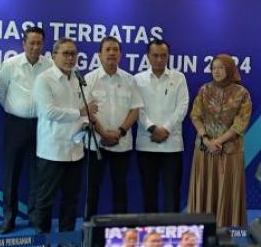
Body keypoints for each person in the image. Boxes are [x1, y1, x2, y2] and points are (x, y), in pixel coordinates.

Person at [31, 38, 97, 233]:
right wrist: (81, 113)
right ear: (53, 56)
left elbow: (88, 107)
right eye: (66, 54)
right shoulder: (44, 79)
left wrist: (85, 123)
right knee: (45, 200)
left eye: (73, 54)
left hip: (75, 150)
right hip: (52, 151)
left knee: (71, 199)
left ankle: (66, 239)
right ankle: (42, 240)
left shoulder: (78, 78)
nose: (70, 58)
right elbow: (48, 112)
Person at [0, 26, 52, 234]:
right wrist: (17, 109)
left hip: (42, 125)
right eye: (32, 43)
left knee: (39, 173)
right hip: (15, 124)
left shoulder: (50, 65)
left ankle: (35, 217)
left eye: (39, 43)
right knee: (12, 172)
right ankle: (8, 218)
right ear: (23, 44)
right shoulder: (11, 64)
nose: (36, 47)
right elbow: (0, 93)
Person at [187, 54, 252, 227]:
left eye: (221, 67)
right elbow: (195, 115)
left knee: (227, 192)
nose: (216, 71)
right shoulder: (204, 90)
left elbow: (240, 124)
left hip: (230, 153)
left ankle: (230, 232)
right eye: (214, 68)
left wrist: (219, 142)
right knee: (204, 190)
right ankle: (201, 230)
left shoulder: (242, 94)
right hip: (204, 150)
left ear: (230, 69)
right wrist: (206, 140)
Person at [84, 36, 143, 218]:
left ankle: (120, 229)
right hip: (96, 144)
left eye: (115, 50)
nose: (111, 53)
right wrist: (103, 133)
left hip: (122, 143)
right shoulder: (89, 79)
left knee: (120, 187)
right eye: (107, 49)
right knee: (92, 189)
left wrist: (120, 131)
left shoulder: (129, 80)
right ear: (99, 55)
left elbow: (135, 109)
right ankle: (89, 229)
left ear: (120, 55)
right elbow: (86, 110)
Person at [134, 39, 189, 213]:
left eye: (163, 56)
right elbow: (136, 109)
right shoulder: (138, 79)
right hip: (146, 143)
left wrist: (165, 129)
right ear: (148, 57)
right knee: (148, 194)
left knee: (171, 195)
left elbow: (182, 107)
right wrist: (152, 128)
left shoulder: (179, 78)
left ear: (168, 57)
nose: (159, 59)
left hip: (172, 145)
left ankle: (171, 233)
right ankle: (151, 235)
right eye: (155, 55)